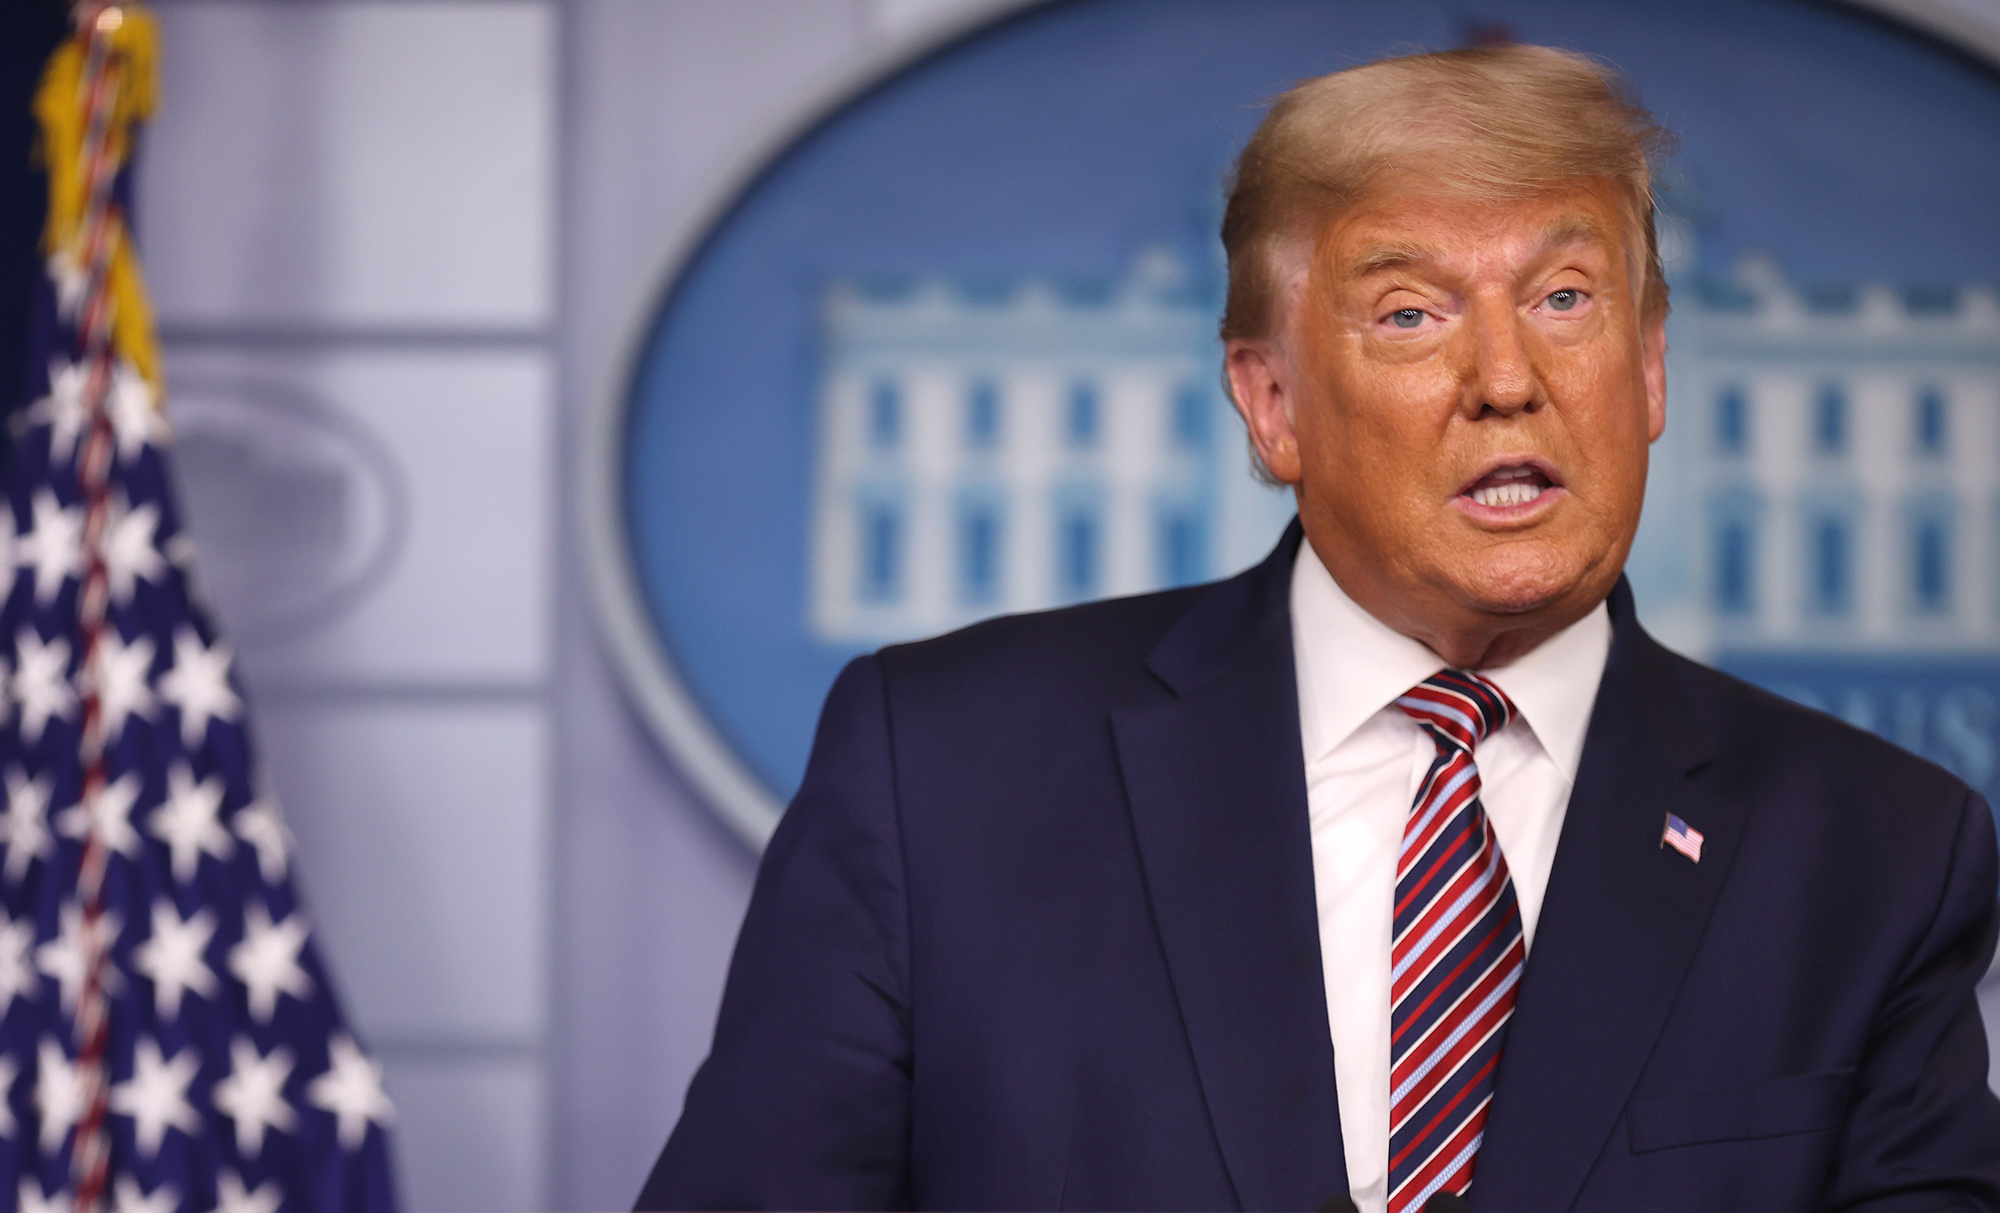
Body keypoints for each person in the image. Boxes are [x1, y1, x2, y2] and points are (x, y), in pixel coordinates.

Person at [636, 45, 2000, 1212]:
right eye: (1411, 311)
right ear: (1271, 401)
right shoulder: (938, 772)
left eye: (1566, 299)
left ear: (1648, 370)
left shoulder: (1874, 853)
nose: (1509, 379)